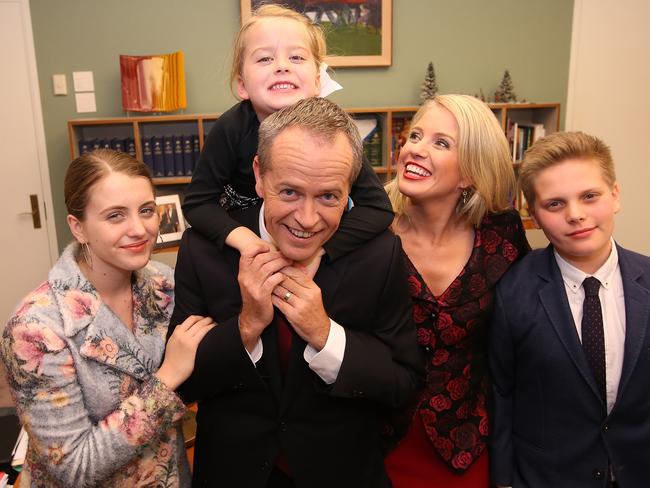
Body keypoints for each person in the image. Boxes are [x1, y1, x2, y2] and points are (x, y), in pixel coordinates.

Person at [169, 97, 423, 488]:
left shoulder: (379, 255)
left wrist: (325, 335)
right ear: (259, 175)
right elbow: (184, 385)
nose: (307, 219)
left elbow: (402, 384)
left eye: (328, 197)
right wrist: (246, 326)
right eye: (289, 192)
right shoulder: (203, 252)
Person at [1, 149, 215, 487]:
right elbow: (75, 467)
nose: (139, 229)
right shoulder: (36, 330)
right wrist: (169, 375)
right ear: (78, 227)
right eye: (115, 216)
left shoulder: (165, 285)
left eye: (146, 210)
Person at [382, 94, 530, 487]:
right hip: (375, 441)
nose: (416, 148)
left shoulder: (502, 233)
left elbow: (532, 314)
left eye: (440, 143)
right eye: (415, 135)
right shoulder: (369, 228)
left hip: (465, 445)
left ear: (469, 173)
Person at [489, 131, 650, 488]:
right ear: (533, 214)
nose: (576, 215)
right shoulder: (512, 294)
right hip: (548, 476)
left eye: (589, 196)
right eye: (555, 204)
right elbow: (503, 395)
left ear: (616, 195)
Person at [182, 4, 393, 266]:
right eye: (264, 59)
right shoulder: (230, 129)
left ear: (317, 81)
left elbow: (378, 209)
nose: (281, 66)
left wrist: (322, 251)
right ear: (242, 85)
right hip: (243, 245)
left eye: (296, 58)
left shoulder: (334, 138)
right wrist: (247, 241)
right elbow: (198, 203)